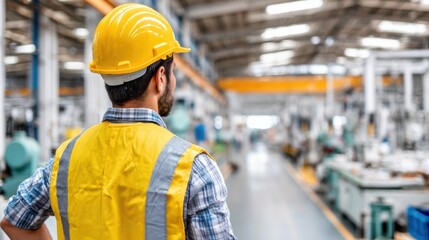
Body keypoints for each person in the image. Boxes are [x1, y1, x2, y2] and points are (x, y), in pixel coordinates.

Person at [0, 3, 236, 240]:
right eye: (172, 71)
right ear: (160, 78)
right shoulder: (193, 167)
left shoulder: (65, 160)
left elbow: (13, 220)